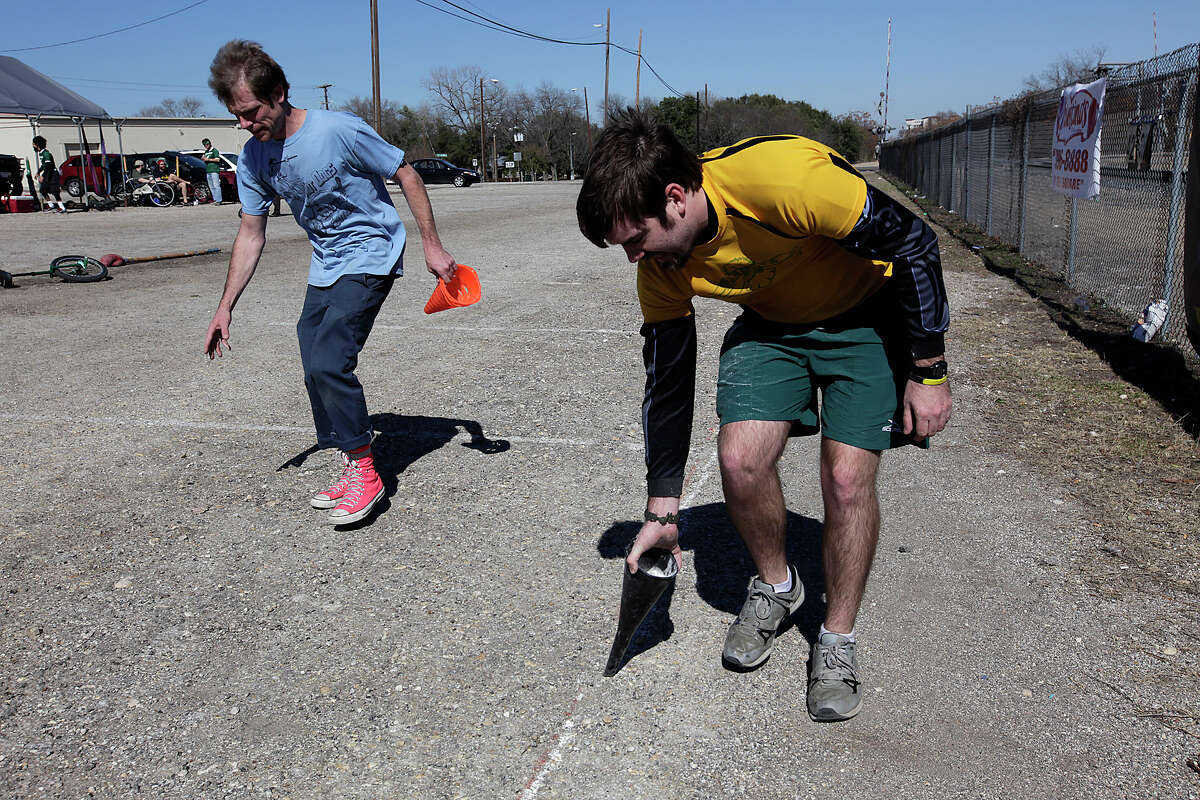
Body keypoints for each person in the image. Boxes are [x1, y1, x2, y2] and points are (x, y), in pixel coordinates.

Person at [577, 109, 952, 722]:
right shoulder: (661, 267)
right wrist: (662, 511)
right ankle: (778, 587)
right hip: (773, 327)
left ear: (675, 198)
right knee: (739, 459)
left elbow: (914, 242)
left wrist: (928, 369)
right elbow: (668, 387)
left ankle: (836, 638)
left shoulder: (782, 181)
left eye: (635, 239)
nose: (632, 258)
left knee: (846, 478)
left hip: (864, 314)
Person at [202, 40, 457, 525]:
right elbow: (251, 233)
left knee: (329, 361)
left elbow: (406, 173)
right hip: (327, 264)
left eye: (251, 111)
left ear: (278, 92)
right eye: (236, 115)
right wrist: (225, 306)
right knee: (311, 357)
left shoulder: (337, 129)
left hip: (371, 253)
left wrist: (431, 244)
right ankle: (351, 459)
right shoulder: (254, 159)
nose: (243, 124)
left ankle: (367, 473)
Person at [31, 136, 66, 212]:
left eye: (33, 144)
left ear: (37, 144)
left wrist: (43, 176)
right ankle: (51, 205)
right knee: (42, 190)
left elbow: (48, 166)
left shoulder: (46, 153)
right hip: (47, 173)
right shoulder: (41, 153)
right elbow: (43, 165)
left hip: (53, 174)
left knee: (55, 191)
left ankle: (62, 207)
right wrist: (38, 172)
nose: (33, 145)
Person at [200, 137, 224, 203]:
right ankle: (215, 199)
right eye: (205, 145)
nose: (206, 146)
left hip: (214, 170)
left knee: (216, 185)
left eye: (207, 144)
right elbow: (204, 158)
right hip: (208, 170)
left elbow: (218, 159)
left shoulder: (214, 150)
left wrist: (209, 160)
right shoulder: (206, 152)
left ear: (210, 143)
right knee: (211, 186)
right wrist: (203, 158)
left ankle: (219, 200)